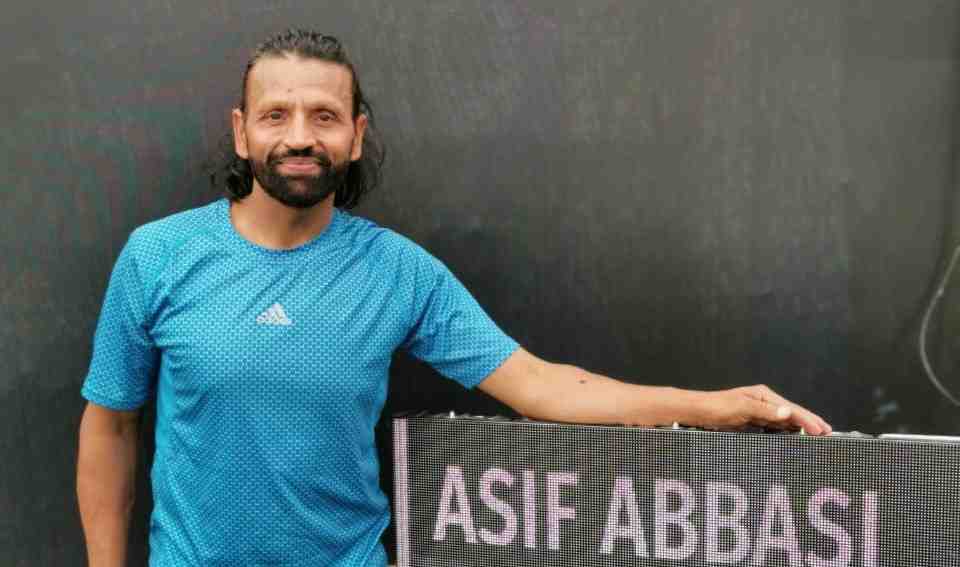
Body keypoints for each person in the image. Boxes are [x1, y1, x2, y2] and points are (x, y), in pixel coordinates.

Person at [76, 29, 832, 567]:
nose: (300, 136)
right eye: (277, 114)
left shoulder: (398, 273)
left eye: (324, 117)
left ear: (356, 136)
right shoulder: (159, 256)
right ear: (242, 133)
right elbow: (110, 425)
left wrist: (715, 406)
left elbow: (540, 385)